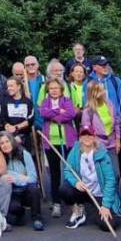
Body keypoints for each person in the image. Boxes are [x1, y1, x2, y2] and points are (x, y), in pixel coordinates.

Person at [59, 124, 121, 232]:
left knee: (109, 225)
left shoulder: (102, 155)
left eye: (90, 135)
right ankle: (78, 210)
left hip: (99, 194)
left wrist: (106, 205)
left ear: (94, 137)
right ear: (80, 138)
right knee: (64, 189)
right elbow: (68, 170)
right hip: (83, 190)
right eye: (84, 135)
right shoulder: (75, 151)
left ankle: (94, 208)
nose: (87, 138)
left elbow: (110, 180)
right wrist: (76, 183)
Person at [38, 77, 79, 220]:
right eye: (51, 88)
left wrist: (55, 116)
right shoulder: (45, 101)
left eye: (56, 88)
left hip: (67, 141)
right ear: (48, 90)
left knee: (71, 170)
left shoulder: (67, 100)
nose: (54, 90)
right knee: (55, 173)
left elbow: (71, 114)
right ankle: (56, 203)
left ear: (61, 89)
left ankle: (73, 201)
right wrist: (58, 112)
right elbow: (43, 113)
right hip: (51, 141)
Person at [0, 132, 44, 231]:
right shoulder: (0, 158)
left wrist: (15, 178)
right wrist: (22, 176)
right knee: (12, 206)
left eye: (7, 141)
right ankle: (20, 214)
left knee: (34, 189)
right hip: (12, 191)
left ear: (12, 141)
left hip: (25, 189)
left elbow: (33, 177)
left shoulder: (24, 154)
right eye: (2, 143)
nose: (5, 145)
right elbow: (1, 174)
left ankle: (37, 218)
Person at [80, 82, 121, 162]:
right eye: (101, 91)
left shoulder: (109, 104)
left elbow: (116, 123)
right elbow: (86, 131)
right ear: (94, 93)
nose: (104, 92)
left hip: (112, 143)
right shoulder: (88, 111)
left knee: (115, 172)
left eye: (103, 90)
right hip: (97, 145)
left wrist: (118, 140)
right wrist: (93, 145)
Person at [0, 76, 35, 145]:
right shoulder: (4, 101)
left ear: (19, 86)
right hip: (8, 137)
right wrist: (8, 127)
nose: (9, 88)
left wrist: (16, 127)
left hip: (24, 137)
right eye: (8, 86)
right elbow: (1, 118)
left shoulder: (28, 102)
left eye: (11, 86)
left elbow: (30, 119)